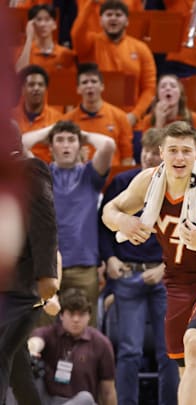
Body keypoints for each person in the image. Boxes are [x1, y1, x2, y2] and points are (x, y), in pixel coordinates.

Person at [101, 120, 196, 405]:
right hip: (178, 283)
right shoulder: (148, 181)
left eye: (186, 151)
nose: (180, 158)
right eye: (173, 150)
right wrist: (123, 220)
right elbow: (109, 211)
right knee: (189, 374)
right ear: (161, 152)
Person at [98, 128, 179, 405]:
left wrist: (167, 267)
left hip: (164, 276)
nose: (147, 156)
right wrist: (110, 258)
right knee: (129, 351)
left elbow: (186, 233)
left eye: (153, 151)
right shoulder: (122, 182)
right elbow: (103, 224)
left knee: (169, 350)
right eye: (144, 150)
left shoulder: (178, 186)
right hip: (128, 274)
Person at [22, 120, 116, 327]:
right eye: (60, 140)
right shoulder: (41, 174)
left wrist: (82, 134)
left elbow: (108, 145)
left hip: (84, 266)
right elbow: (18, 144)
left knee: (84, 330)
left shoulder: (90, 175)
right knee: (44, 330)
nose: (66, 145)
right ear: (51, 146)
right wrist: (50, 130)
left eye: (71, 140)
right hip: (47, 267)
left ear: (80, 145)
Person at [0, 130, 59, 405]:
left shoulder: (30, 169)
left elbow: (45, 224)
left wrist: (47, 275)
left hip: (22, 285)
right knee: (17, 364)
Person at [71, 0, 157, 127]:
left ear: (127, 21)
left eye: (118, 15)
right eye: (109, 15)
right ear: (100, 20)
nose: (113, 19)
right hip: (94, 119)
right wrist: (91, 4)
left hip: (130, 121)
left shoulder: (141, 49)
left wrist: (135, 115)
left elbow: (149, 89)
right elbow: (76, 33)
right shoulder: (91, 44)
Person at [28, 288, 117, 405]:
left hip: (79, 402)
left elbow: (108, 391)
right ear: (61, 315)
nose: (76, 319)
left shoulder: (101, 343)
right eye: (71, 314)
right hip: (48, 400)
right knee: (22, 369)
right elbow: (36, 341)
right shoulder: (49, 333)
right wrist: (33, 350)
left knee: (85, 398)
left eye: (81, 314)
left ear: (89, 316)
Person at [63, 63, 134, 166]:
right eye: (84, 82)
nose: (89, 85)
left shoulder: (120, 117)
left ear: (102, 86)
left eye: (94, 81)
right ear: (78, 89)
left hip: (112, 178)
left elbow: (127, 157)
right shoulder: (67, 121)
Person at [138, 74, 196, 165]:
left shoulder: (195, 120)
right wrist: (159, 123)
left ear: (180, 93)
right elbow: (150, 156)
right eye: (163, 86)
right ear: (157, 95)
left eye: (173, 86)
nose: (168, 88)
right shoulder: (148, 120)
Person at [12, 65, 64, 163]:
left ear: (46, 89)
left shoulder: (58, 119)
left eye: (40, 85)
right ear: (22, 89)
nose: (36, 88)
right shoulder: (10, 117)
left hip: (46, 173)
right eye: (31, 84)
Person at [14, 4, 76, 75]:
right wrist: (29, 39)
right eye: (38, 20)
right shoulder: (22, 52)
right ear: (31, 24)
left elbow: (71, 79)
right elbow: (19, 74)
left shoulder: (65, 53)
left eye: (47, 19)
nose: (43, 24)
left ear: (54, 24)